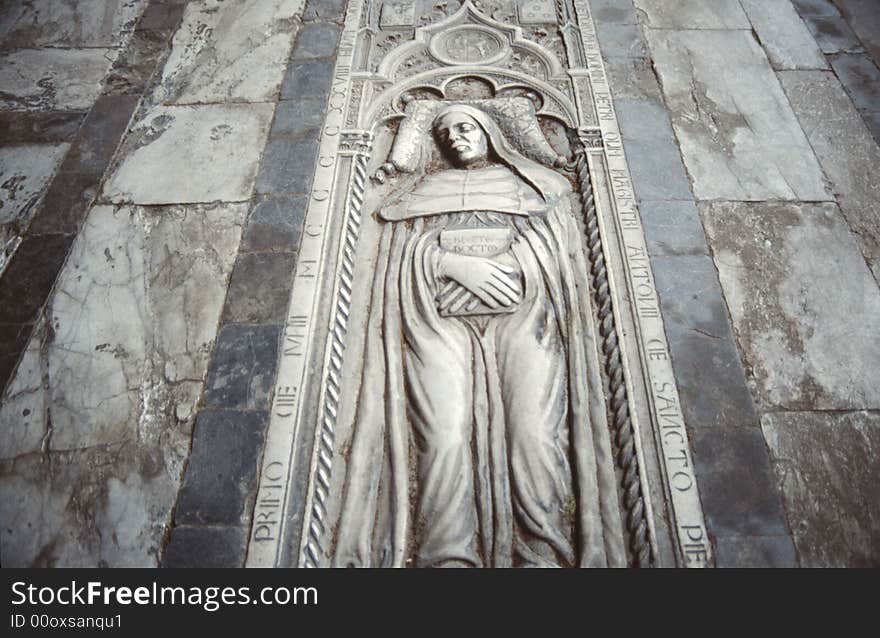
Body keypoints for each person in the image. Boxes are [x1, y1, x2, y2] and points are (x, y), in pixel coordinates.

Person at [334, 103, 626, 567]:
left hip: (526, 316)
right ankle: (448, 557)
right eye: (444, 132)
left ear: (491, 131)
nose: (453, 138)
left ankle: (541, 552)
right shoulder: (422, 192)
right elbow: (398, 260)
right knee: (443, 436)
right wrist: (449, 263)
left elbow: (559, 260)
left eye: (464, 126)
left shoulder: (535, 187)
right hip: (435, 321)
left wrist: (513, 268)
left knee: (535, 435)